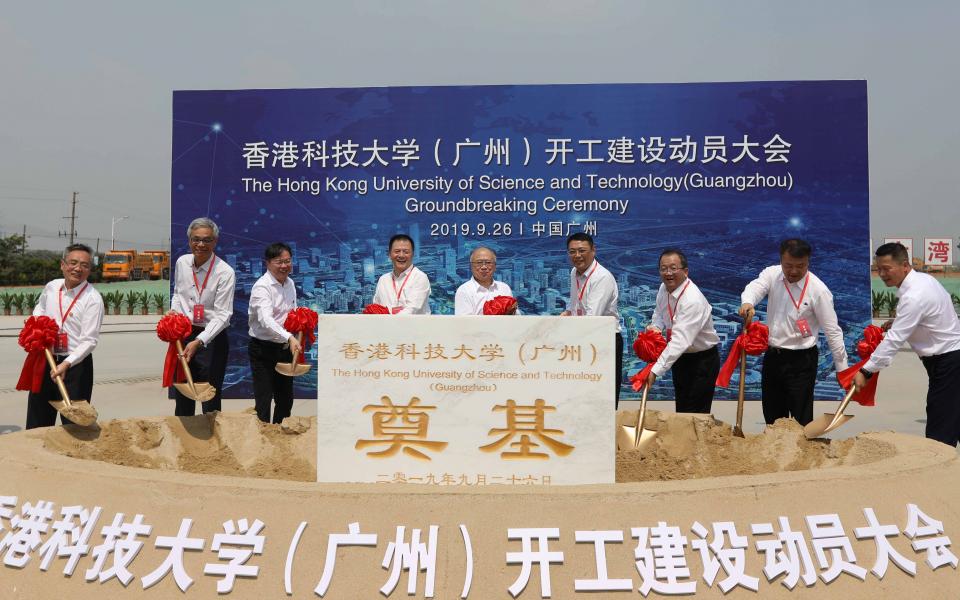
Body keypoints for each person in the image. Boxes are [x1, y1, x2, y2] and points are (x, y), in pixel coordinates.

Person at [854, 242, 960, 446]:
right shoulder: (925, 280)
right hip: (952, 356)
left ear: (904, 265)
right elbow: (932, 315)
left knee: (940, 428)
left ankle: (935, 473)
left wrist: (866, 371)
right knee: (953, 416)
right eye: (879, 269)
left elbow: (895, 340)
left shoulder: (914, 296)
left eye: (887, 268)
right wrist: (898, 322)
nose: (882, 274)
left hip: (948, 363)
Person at [738, 238, 848, 425]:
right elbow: (756, 287)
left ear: (808, 262)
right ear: (781, 260)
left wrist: (842, 369)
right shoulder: (772, 274)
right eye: (788, 266)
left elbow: (832, 331)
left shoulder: (818, 290)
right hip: (774, 355)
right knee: (773, 414)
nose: (794, 271)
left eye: (801, 266)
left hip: (802, 361)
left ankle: (801, 452)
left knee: (801, 416)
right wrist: (747, 302)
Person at [26, 243, 104, 429]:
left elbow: (89, 340)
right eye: (73, 263)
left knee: (74, 424)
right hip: (46, 360)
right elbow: (40, 308)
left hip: (75, 367)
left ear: (89, 270)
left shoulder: (93, 299)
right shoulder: (52, 287)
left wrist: (66, 364)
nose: (78, 268)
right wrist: (36, 325)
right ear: (63, 264)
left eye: (84, 265)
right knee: (38, 418)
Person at [168, 217, 236, 416]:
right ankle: (184, 440)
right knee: (183, 393)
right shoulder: (182, 262)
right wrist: (174, 315)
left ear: (215, 242)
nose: (200, 244)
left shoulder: (225, 272)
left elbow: (223, 315)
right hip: (184, 334)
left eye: (207, 240)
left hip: (211, 339)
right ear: (189, 241)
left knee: (210, 396)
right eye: (196, 239)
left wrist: (199, 341)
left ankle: (212, 439)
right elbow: (178, 294)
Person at [645, 249, 720, 413]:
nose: (668, 273)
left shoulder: (692, 300)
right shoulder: (663, 289)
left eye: (673, 268)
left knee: (695, 415)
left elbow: (680, 341)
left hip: (701, 361)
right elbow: (659, 314)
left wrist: (655, 371)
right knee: (682, 409)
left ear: (685, 271)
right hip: (681, 359)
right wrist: (655, 329)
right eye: (663, 269)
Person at [560, 232, 623, 407]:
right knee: (584, 396)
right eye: (572, 251)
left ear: (593, 250)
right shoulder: (574, 272)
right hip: (585, 339)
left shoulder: (602, 277)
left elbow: (591, 318)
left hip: (605, 341)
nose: (577, 256)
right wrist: (567, 314)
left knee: (604, 398)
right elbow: (575, 305)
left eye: (582, 250)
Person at [248, 242, 301, 424]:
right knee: (264, 399)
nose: (284, 266)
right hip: (263, 350)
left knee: (285, 399)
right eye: (279, 262)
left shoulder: (290, 283)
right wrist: (289, 336)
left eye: (287, 261)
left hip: (284, 348)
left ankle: (280, 437)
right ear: (268, 263)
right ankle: (262, 440)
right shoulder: (261, 287)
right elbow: (266, 320)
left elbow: (292, 312)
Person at [372, 234, 431, 314]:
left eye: (406, 252)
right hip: (386, 325)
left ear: (413, 254)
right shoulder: (383, 280)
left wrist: (388, 322)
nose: (401, 255)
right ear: (389, 254)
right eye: (397, 251)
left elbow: (411, 310)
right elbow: (376, 309)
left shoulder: (420, 278)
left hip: (414, 326)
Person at [454, 247, 516, 315]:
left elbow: (515, 316)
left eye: (488, 262)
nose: (484, 267)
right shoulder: (464, 290)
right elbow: (465, 322)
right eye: (479, 263)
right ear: (471, 266)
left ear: (495, 266)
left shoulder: (504, 288)